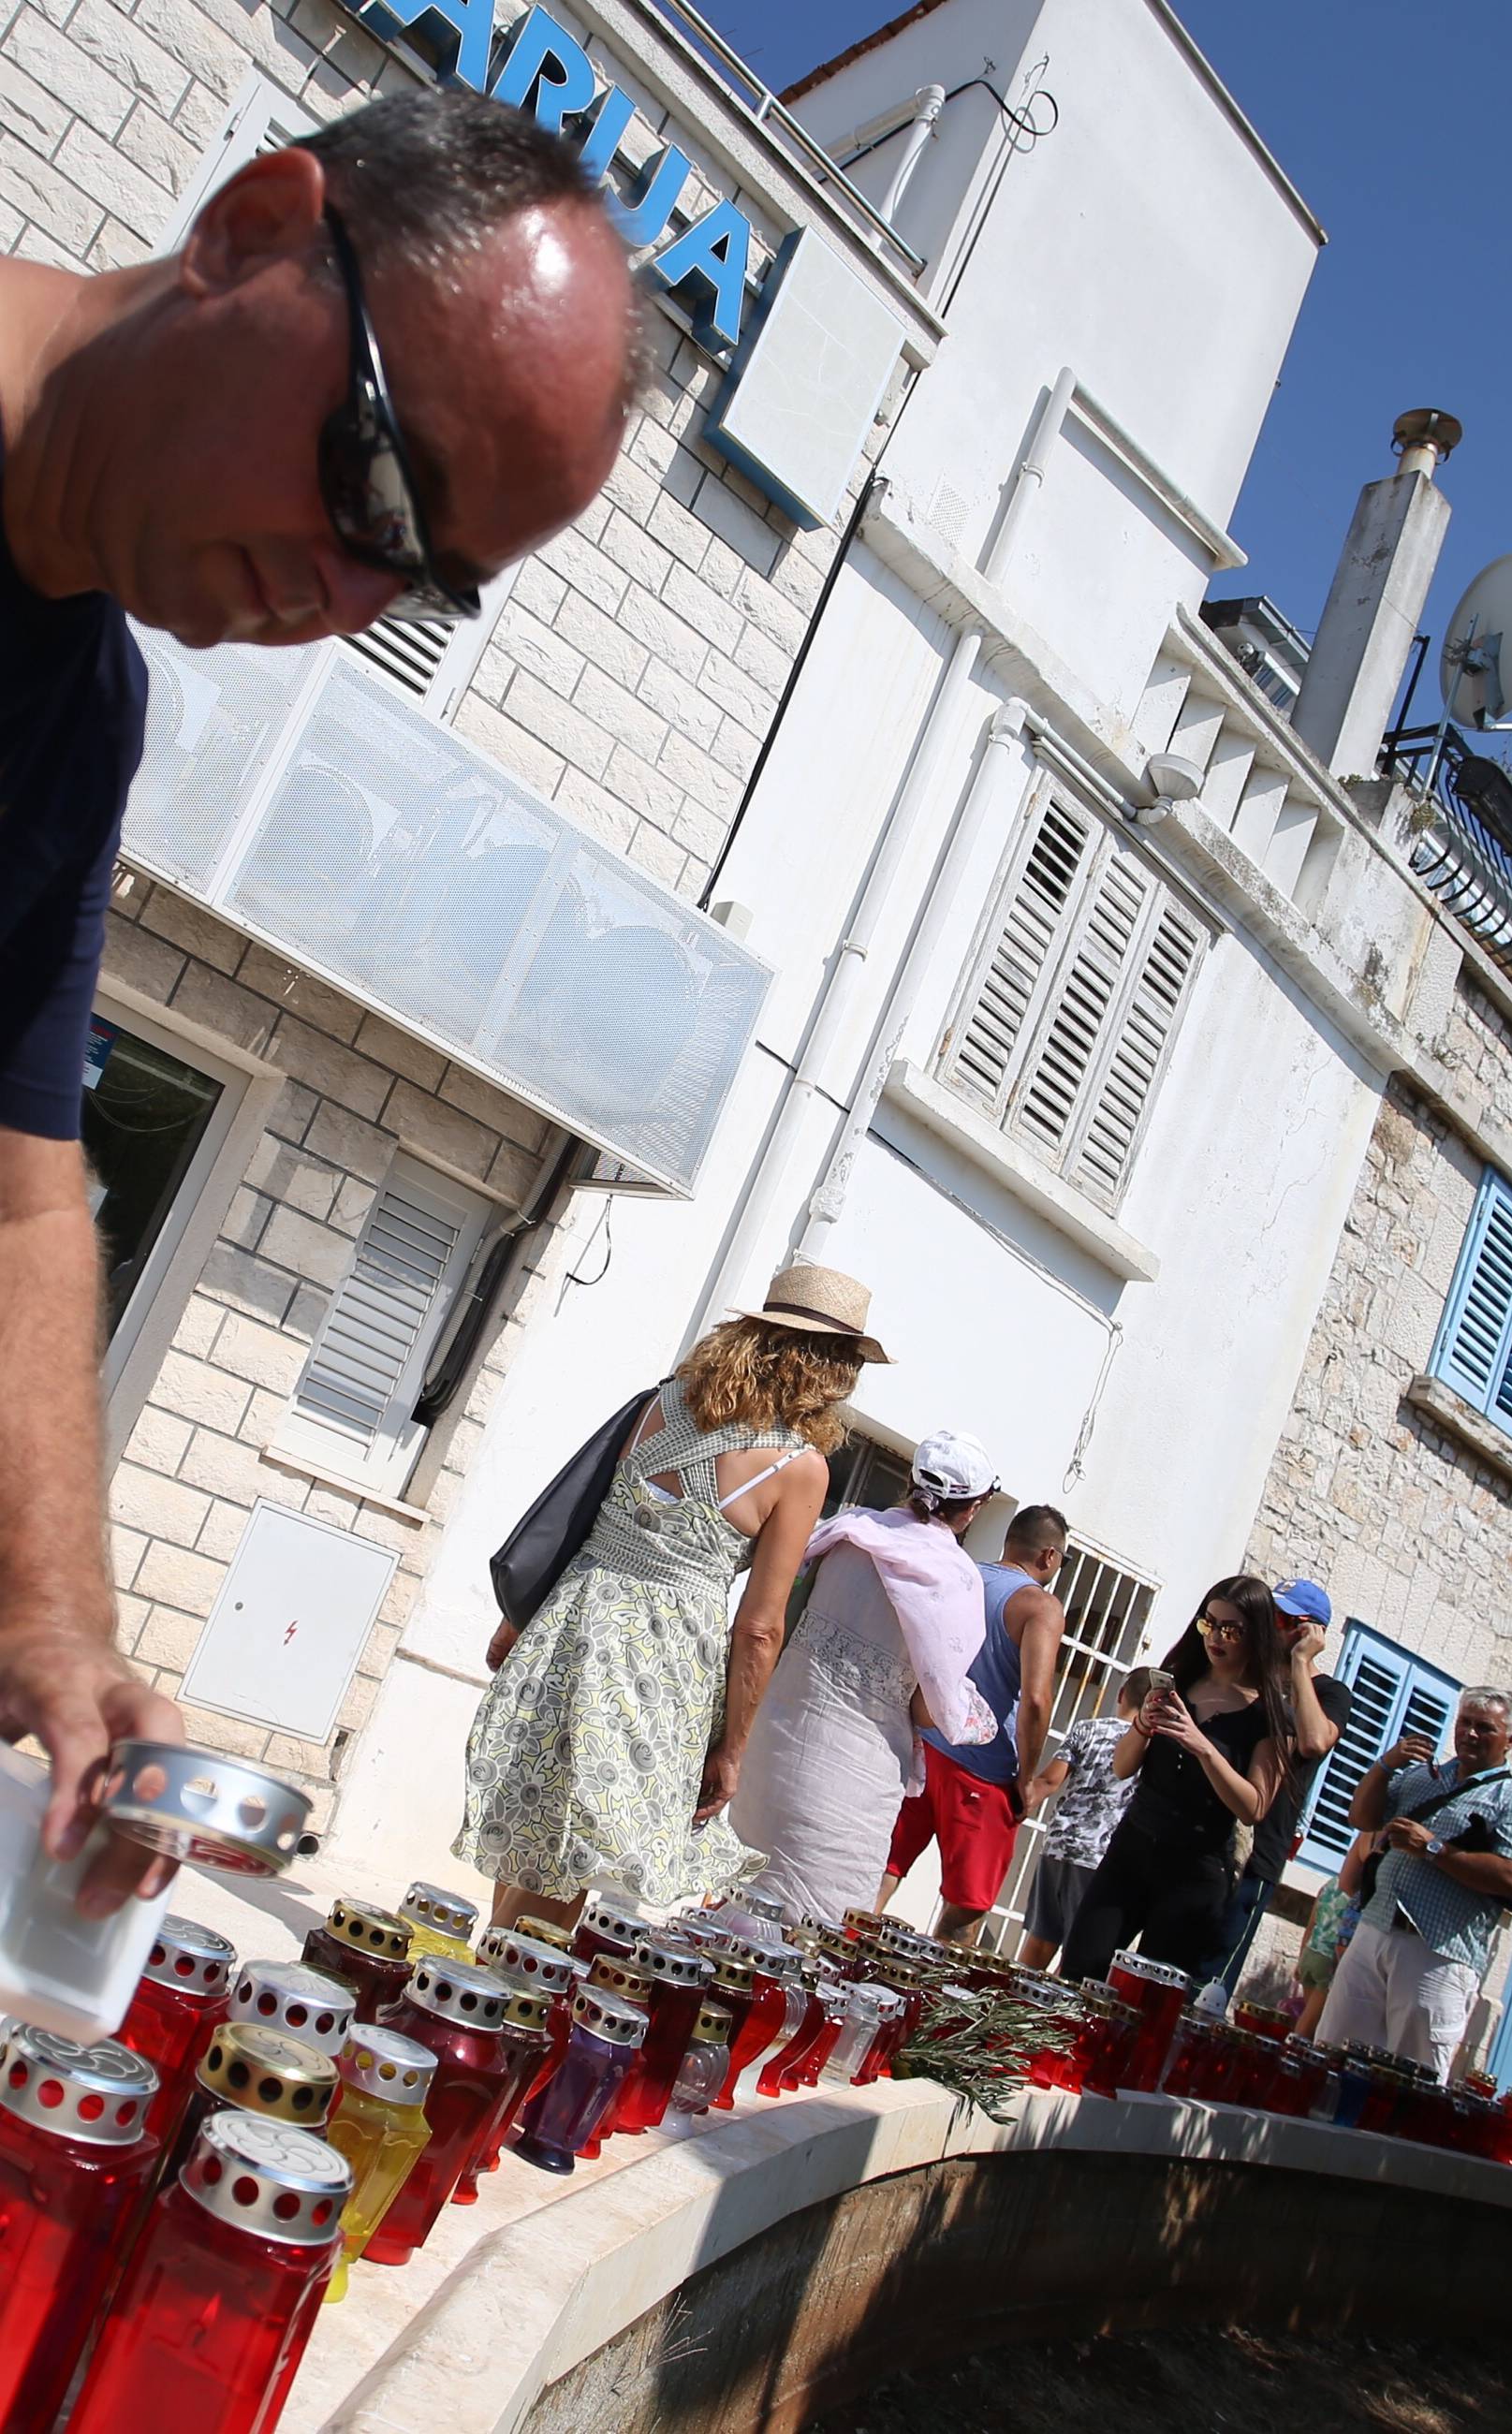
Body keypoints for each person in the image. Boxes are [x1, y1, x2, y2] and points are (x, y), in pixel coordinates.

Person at [0, 89, 639, 1912]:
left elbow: (24, 1171)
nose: (348, 593)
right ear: (252, 226)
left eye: (420, 576)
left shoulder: (79, 717)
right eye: (376, 478)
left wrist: (56, 1617)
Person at [457, 1264, 883, 1928]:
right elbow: (761, 1627)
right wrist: (733, 1747)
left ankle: (491, 1969)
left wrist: (518, 1620)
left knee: (541, 1826)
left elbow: (580, 1514)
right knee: (585, 1844)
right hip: (659, 1658)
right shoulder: (799, 1466)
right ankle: (504, 1990)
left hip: (575, 1614)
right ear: (832, 1368)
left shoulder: (661, 1403)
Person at [728, 1431, 1002, 1927]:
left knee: (738, 1896)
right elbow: (929, 1707)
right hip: (852, 1779)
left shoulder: (847, 1532)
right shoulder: (955, 1580)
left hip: (775, 1745)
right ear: (974, 1508)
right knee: (812, 1936)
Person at [1059, 1576, 1295, 1985]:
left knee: (1148, 1994)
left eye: (1231, 1629)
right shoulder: (1179, 1680)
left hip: (1197, 1867)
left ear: (1255, 1635)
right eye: (1209, 1623)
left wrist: (1202, 1746)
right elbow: (1121, 1767)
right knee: (1082, 1965)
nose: (1216, 1638)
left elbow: (1253, 1806)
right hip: (1134, 1844)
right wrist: (1142, 1727)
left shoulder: (1268, 1715)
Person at [1316, 1687, 1512, 2081]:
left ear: (1510, 1741)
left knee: (1410, 2077)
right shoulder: (1421, 1779)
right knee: (1332, 2054)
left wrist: (1434, 1849)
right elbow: (1361, 1816)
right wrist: (1386, 1765)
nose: (1470, 1734)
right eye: (1465, 1723)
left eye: (1485, 1728)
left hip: (1438, 1951)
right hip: (1375, 1929)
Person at [878, 1503, 1069, 1946]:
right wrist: (1026, 1778)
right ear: (1049, 1557)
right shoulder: (1039, 1605)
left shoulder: (963, 1573)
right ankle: (926, 2005)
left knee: (882, 1868)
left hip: (921, 1745)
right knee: (965, 1909)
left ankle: (841, 1960)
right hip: (982, 1769)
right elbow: (1037, 1700)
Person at [1187, 1576, 1348, 1988]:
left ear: (1308, 1629)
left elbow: (1313, 1741)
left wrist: (1298, 1663)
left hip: (1256, 1856)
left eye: (1280, 1618)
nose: (1269, 1625)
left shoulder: (1329, 1693)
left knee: (1208, 1985)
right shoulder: (1246, 1675)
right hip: (1203, 1838)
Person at [1018, 1666, 1152, 1972]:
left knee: (1039, 1942)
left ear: (1121, 1695)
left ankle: (1009, 2004)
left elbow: (1049, 1782)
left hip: (1058, 1846)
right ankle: (1053, 2018)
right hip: (1099, 1859)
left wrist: (1017, 1806)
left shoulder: (1087, 1729)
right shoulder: (1148, 1747)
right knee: (1077, 1953)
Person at [1292, 1830, 1373, 2041]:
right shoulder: (1360, 1898)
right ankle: (1289, 2057)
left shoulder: (1329, 1885)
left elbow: (1312, 1925)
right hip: (1330, 1963)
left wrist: (1301, 1960)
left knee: (1310, 2016)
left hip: (1311, 1955)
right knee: (1308, 2027)